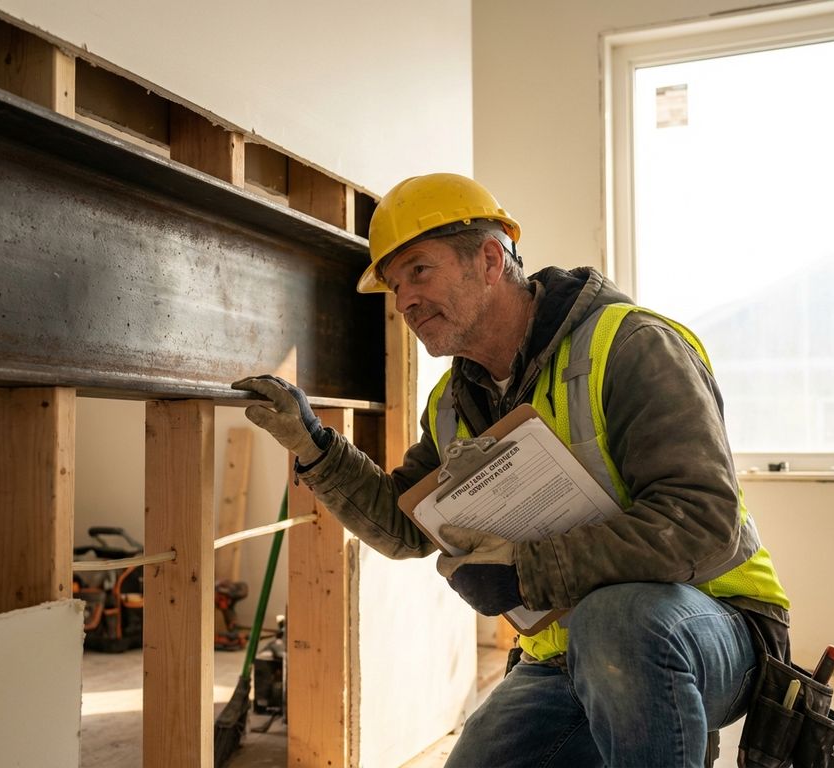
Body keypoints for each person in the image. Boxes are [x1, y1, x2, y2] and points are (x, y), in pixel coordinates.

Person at [232, 173, 790, 767]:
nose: (405, 302)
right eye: (395, 287)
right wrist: (316, 448)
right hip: (571, 651)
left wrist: (527, 571)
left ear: (492, 259)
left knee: (619, 621)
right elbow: (405, 526)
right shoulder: (453, 403)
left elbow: (703, 520)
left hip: (714, 625)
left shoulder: (631, 347)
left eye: (419, 271)